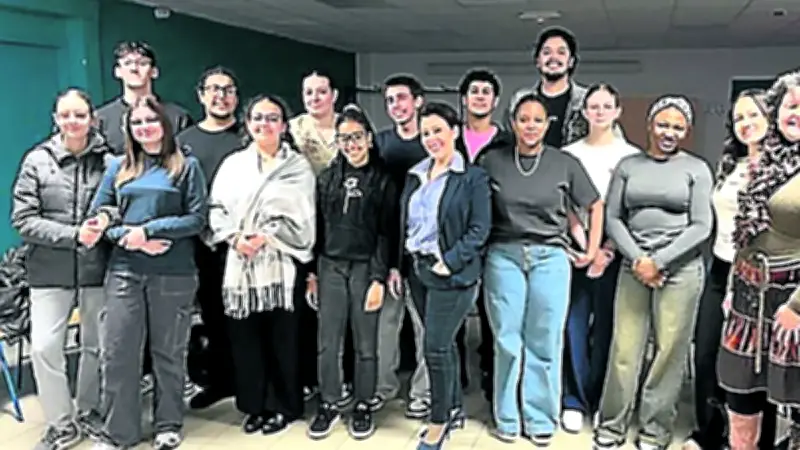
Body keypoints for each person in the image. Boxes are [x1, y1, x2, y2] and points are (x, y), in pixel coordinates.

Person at [478, 91, 603, 447]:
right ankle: (506, 415)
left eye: (537, 119)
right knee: (507, 340)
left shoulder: (565, 163)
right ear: (512, 123)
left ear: (547, 124)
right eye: (523, 119)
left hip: (550, 257)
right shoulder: (493, 161)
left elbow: (594, 204)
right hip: (504, 256)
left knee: (545, 339)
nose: (530, 126)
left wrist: (592, 249)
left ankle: (539, 417)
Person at [83, 97, 207, 450]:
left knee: (168, 351)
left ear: (164, 124)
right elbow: (100, 217)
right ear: (129, 130)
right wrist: (131, 238)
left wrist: (150, 231)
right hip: (125, 271)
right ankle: (119, 433)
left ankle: (168, 423)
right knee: (119, 352)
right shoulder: (117, 168)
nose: (144, 128)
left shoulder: (186, 166)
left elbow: (196, 219)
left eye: (150, 121)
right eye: (136, 123)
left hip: (174, 273)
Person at [594, 95, 714, 450]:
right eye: (663, 124)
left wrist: (659, 262)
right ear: (649, 124)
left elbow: (702, 225)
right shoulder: (629, 165)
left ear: (687, 131)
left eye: (678, 127)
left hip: (681, 271)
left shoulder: (697, 169)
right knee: (624, 350)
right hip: (634, 268)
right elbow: (614, 218)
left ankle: (655, 431)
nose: (669, 132)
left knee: (669, 353)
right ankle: (612, 426)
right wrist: (639, 260)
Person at [206, 94, 315, 436]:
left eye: (272, 118)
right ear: (248, 123)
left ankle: (285, 405)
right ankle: (254, 405)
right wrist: (235, 237)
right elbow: (215, 209)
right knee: (245, 339)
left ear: (284, 125)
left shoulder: (297, 167)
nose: (264, 124)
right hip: (240, 263)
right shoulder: (233, 165)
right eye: (257, 117)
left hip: (283, 263)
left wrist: (268, 236)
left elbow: (305, 216)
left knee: (283, 339)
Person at [11, 89, 113, 450]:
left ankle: (88, 411)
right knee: (44, 346)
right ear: (55, 119)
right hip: (48, 272)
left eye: (80, 115)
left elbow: (120, 202)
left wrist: (104, 218)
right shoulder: (36, 161)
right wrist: (74, 235)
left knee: (96, 346)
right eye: (65, 115)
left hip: (97, 270)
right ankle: (61, 423)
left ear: (92, 119)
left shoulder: (109, 161)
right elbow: (22, 220)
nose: (73, 122)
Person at [684, 89, 779, 450]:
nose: (746, 124)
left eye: (754, 115)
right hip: (721, 269)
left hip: (759, 280)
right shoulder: (731, 164)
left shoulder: (782, 168)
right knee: (706, 351)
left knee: (754, 366)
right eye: (739, 118)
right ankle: (709, 431)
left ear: (770, 119)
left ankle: (756, 441)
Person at [718, 70, 800, 450]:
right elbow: (746, 233)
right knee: (741, 400)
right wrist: (735, 287)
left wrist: (797, 306)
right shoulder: (763, 162)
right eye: (790, 104)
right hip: (749, 294)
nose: (796, 113)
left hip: (791, 301)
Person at [402, 102, 491, 450]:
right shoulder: (416, 174)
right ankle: (452, 408)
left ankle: (438, 421)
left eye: (438, 130)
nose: (432, 138)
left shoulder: (472, 177)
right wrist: (401, 265)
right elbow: (404, 224)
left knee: (434, 348)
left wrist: (449, 261)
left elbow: (479, 229)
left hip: (451, 273)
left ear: (455, 132)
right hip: (418, 270)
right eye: (425, 133)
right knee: (445, 345)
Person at [306, 104, 396, 440]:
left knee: (365, 342)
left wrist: (378, 277)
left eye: (357, 137)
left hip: (364, 267)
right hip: (330, 266)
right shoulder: (328, 177)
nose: (352, 144)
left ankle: (363, 403)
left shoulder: (384, 180)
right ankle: (329, 402)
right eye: (344, 138)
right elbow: (318, 226)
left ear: (369, 139)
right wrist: (313, 273)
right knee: (328, 342)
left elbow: (387, 233)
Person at [560, 83, 640, 433]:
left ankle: (599, 396)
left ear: (618, 111)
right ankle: (574, 399)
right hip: (574, 252)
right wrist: (584, 247)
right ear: (584, 111)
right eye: (593, 106)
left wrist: (605, 251)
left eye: (607, 106)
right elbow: (566, 205)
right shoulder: (569, 154)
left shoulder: (631, 156)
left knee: (608, 328)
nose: (600, 112)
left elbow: (627, 210)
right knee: (573, 326)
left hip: (614, 255)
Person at [176, 66, 242, 410]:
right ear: (201, 95)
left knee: (245, 317)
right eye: (214, 89)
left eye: (228, 89)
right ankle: (219, 381)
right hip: (200, 244)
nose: (221, 96)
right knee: (214, 317)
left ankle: (251, 383)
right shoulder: (185, 141)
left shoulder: (249, 135)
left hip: (243, 244)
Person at [289, 70, 354, 406]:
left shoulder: (350, 123)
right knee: (309, 309)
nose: (315, 98)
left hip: (345, 222)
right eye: (308, 92)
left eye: (321, 91)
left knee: (345, 313)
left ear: (334, 95)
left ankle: (348, 378)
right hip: (305, 219)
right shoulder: (294, 129)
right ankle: (312, 378)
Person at [373, 74, 431, 417]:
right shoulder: (380, 144)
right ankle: (383, 387)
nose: (396, 105)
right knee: (385, 328)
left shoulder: (431, 143)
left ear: (418, 101)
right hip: (386, 249)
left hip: (423, 251)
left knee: (426, 329)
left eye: (402, 98)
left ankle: (422, 393)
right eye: (390, 100)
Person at [455, 68, 512, 398]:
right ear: (464, 99)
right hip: (458, 238)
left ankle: (493, 376)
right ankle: (458, 377)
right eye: (473, 90)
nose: (479, 96)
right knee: (458, 311)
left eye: (486, 91)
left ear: (495, 100)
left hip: (497, 236)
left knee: (494, 311)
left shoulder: (506, 142)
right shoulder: (449, 137)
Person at [509, 26, 621, 148]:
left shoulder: (588, 99)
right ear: (538, 61)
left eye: (561, 52)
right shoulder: (520, 99)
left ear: (571, 61)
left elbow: (613, 140)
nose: (553, 57)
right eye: (547, 52)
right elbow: (509, 142)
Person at [96, 41, 192, 156]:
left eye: (142, 63)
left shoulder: (178, 117)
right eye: (127, 63)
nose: (134, 68)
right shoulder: (101, 119)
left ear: (154, 72)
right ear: (117, 72)